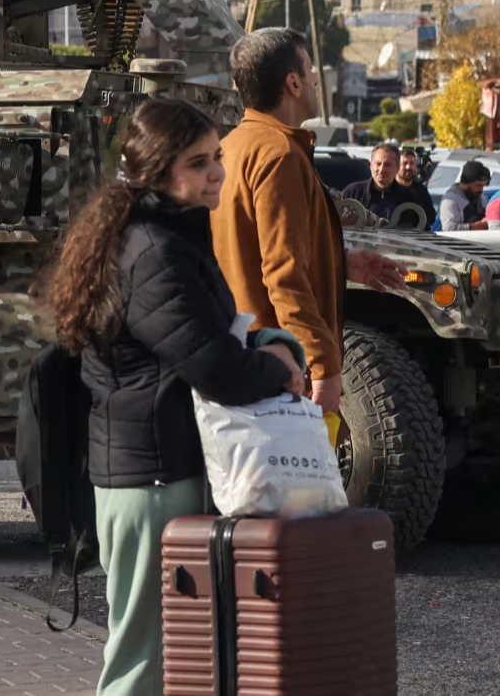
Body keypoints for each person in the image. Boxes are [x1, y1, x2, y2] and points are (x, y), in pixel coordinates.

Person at [42, 98, 304, 696]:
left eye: (216, 157)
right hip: (150, 480)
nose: (216, 172)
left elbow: (202, 335)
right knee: (141, 661)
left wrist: (263, 341)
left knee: (175, 656)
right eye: (198, 162)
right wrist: (276, 368)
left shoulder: (168, 234)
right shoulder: (154, 251)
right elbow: (214, 366)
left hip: (159, 471)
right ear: (159, 171)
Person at [211, 29, 402, 420]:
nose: (317, 79)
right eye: (311, 70)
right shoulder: (279, 154)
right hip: (276, 371)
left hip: (238, 358)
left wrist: (341, 263)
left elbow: (251, 251)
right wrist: (322, 365)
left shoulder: (231, 147)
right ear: (293, 83)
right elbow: (282, 276)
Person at [342, 142, 434, 227]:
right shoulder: (353, 193)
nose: (382, 170)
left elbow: (422, 230)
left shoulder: (410, 198)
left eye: (387, 165)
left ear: (397, 168)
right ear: (371, 165)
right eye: (378, 164)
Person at [438, 161, 491, 232]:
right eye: (478, 185)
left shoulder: (481, 198)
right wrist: (478, 225)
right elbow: (449, 228)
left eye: (483, 186)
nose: (481, 189)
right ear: (466, 183)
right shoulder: (450, 200)